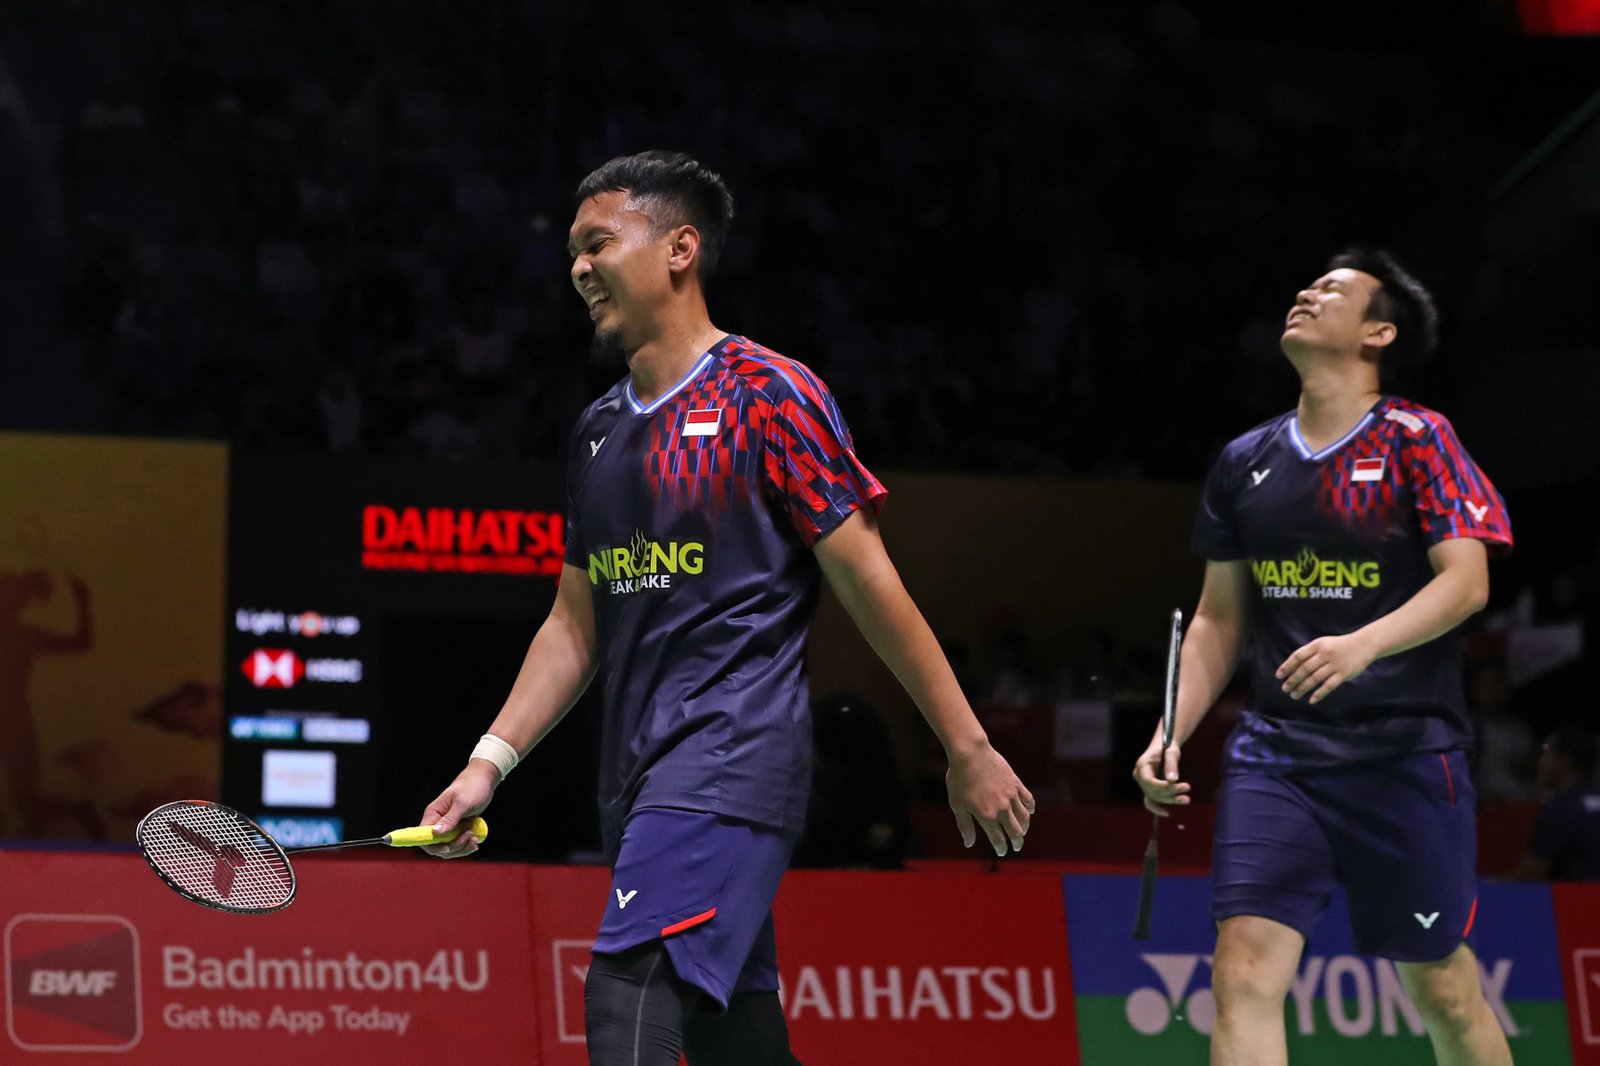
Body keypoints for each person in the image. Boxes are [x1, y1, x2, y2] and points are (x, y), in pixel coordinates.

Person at [418, 151, 1034, 1066]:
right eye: (573, 251)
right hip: (635, 779)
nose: (577, 268)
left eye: (599, 243)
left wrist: (966, 744)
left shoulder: (766, 394)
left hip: (729, 760)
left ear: (680, 249)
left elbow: (868, 579)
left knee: (627, 991)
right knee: (736, 1038)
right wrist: (487, 765)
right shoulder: (597, 432)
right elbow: (573, 624)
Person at [1134, 247, 1515, 1065]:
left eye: (1333, 291)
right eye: (1306, 285)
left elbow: (1468, 582)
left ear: (1379, 332)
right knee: (1243, 971)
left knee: (1441, 986)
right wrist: (1170, 729)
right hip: (1278, 756)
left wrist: (1363, 644)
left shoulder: (1419, 440)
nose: (1307, 294)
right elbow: (1217, 620)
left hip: (1404, 751)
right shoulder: (1246, 462)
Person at [1510, 726, 1600, 881]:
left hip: (1582, 902)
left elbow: (1531, 873)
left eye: (1546, 754)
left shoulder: (1562, 808)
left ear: (1565, 760)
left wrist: (1488, 884)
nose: (1540, 762)